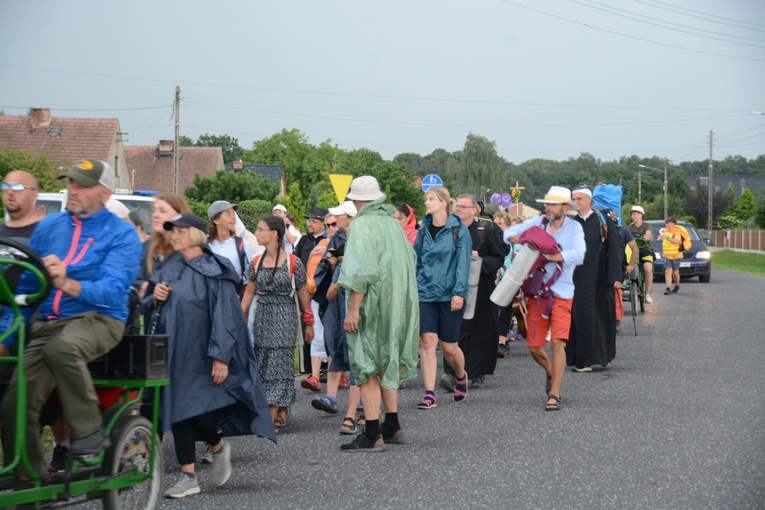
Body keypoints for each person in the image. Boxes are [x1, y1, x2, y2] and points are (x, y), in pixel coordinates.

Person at [1, 159, 142, 476]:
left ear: (104, 194)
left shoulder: (122, 234)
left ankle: (89, 431)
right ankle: (30, 488)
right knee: (15, 405)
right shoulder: (49, 227)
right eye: (71, 183)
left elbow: (113, 291)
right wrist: (7, 340)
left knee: (61, 348)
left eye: (82, 185)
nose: (73, 191)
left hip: (101, 319)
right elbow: (25, 289)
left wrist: (68, 283)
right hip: (50, 324)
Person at [149, 213, 275, 498]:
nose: (174, 236)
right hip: (174, 352)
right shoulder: (171, 266)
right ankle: (189, 475)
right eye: (173, 232)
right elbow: (149, 301)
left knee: (196, 409)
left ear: (194, 234)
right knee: (178, 409)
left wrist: (220, 357)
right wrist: (154, 295)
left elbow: (225, 317)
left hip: (203, 354)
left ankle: (214, 447)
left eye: (180, 231)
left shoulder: (214, 270)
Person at [338, 176, 419, 451]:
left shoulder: (362, 224)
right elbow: (410, 260)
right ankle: (392, 424)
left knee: (367, 364)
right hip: (397, 303)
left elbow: (361, 269)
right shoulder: (392, 223)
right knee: (386, 359)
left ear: (358, 200)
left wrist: (353, 308)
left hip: (372, 303)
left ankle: (372, 433)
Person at [503, 186, 585, 411]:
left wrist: (551, 255)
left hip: (562, 293)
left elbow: (579, 254)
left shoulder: (575, 228)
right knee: (534, 346)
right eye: (547, 204)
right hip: (537, 295)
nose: (547, 208)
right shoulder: (537, 223)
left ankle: (555, 393)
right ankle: (550, 372)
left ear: (565, 208)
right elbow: (507, 234)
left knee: (558, 342)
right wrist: (525, 239)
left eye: (553, 204)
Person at [241, 216, 314, 429]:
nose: (257, 232)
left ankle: (271, 411)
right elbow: (248, 295)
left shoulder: (293, 262)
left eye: (261, 229)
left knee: (279, 365)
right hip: (262, 317)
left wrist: (308, 323)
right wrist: (238, 321)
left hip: (285, 318)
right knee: (263, 363)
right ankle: (280, 407)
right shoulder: (255, 261)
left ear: (274, 233)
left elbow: (303, 296)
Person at [413, 186, 471, 410]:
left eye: (431, 199)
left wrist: (459, 292)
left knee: (449, 348)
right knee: (427, 343)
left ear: (443, 203)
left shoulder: (458, 229)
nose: (426, 202)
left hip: (449, 294)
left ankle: (460, 374)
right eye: (426, 199)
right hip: (425, 292)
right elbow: (416, 258)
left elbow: (463, 263)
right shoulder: (424, 228)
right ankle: (429, 393)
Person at [445, 194, 505, 389]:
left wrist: (478, 259)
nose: (458, 209)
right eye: (457, 206)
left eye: (463, 206)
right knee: (454, 328)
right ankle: (452, 372)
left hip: (482, 285)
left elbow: (498, 259)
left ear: (474, 210)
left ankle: (479, 371)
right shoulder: (449, 231)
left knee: (482, 329)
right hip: (454, 286)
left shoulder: (486, 231)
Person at [312, 201, 359, 424]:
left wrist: (339, 266)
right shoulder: (339, 237)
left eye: (337, 217)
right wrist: (333, 264)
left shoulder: (361, 238)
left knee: (357, 350)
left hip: (355, 299)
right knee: (336, 344)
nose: (333, 222)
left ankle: (359, 399)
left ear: (349, 217)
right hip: (337, 299)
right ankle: (331, 397)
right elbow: (328, 272)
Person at [566, 187, 623, 373]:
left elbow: (615, 249)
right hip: (576, 279)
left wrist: (615, 276)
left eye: (579, 198)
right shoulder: (571, 223)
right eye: (574, 198)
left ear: (589, 200)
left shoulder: (602, 221)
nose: (576, 201)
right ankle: (581, 359)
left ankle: (593, 358)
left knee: (595, 317)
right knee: (578, 317)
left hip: (599, 278)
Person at [294, 207, 329, 384]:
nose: (310, 224)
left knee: (328, 329)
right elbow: (296, 261)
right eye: (309, 221)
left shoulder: (329, 239)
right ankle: (312, 369)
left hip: (326, 290)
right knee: (312, 328)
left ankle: (331, 370)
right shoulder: (303, 241)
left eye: (314, 221)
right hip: (309, 290)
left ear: (324, 223)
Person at [602, 208, 638, 333]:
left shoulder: (623, 231)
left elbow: (635, 248)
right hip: (602, 266)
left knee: (615, 291)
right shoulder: (600, 230)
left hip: (618, 266)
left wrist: (631, 265)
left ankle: (617, 319)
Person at [493, 211, 524, 357]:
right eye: (495, 223)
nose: (497, 226)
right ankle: (502, 340)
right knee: (498, 311)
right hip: (497, 277)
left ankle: (501, 343)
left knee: (504, 311)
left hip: (510, 278)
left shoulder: (512, 240)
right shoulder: (492, 238)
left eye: (500, 224)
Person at [207, 200, 254, 292]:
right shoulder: (206, 247)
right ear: (215, 220)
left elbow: (249, 281)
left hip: (235, 300)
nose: (233, 218)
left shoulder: (243, 245)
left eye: (233, 214)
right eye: (228, 214)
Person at [627, 205, 654, 303]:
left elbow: (647, 236)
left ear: (640, 215)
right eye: (632, 214)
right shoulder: (629, 227)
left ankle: (647, 294)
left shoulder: (647, 225)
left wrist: (642, 236)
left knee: (648, 269)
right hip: (633, 251)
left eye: (634, 214)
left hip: (645, 250)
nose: (633, 216)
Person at [658, 217, 689, 295]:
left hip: (676, 255)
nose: (667, 225)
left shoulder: (677, 231)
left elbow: (678, 242)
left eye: (669, 223)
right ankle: (668, 288)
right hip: (667, 255)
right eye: (666, 223)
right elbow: (665, 242)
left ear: (673, 224)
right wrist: (660, 237)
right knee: (668, 271)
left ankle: (677, 285)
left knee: (675, 272)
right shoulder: (665, 231)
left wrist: (667, 237)